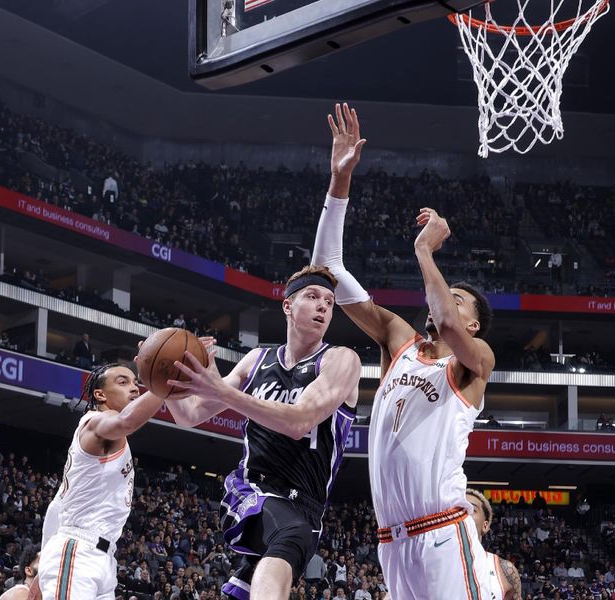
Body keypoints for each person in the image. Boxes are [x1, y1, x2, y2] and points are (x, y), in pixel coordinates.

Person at [312, 103, 495, 599]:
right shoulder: (398, 340)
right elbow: (325, 268)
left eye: (456, 298)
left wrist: (424, 252)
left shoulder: (475, 359)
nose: (444, 301)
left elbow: (452, 327)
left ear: (474, 322)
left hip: (443, 531)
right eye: (443, 293)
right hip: (391, 543)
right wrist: (339, 180)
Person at [162, 265, 361, 600]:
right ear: (288, 306)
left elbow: (300, 422)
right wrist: (164, 379)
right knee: (290, 536)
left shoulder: (341, 360)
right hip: (253, 488)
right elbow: (190, 415)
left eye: (329, 301)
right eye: (313, 297)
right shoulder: (256, 360)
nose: (324, 306)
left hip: (308, 506)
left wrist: (222, 392)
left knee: (259, 578)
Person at [37, 364, 166, 600]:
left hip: (103, 558)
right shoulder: (96, 422)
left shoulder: (110, 442)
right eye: (122, 382)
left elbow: (57, 506)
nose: (135, 388)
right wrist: (163, 385)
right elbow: (126, 422)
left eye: (135, 382)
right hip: (77, 551)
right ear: (100, 394)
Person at [466, 490, 522, 600]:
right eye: (458, 509)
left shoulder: (505, 569)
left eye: (472, 509)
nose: (464, 513)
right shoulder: (432, 563)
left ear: (485, 526)